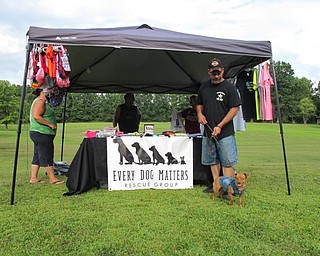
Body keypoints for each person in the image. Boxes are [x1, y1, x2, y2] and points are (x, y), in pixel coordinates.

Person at [196, 58, 241, 192]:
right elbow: (199, 104)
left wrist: (220, 125)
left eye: (218, 72)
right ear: (209, 72)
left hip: (225, 132)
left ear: (222, 71)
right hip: (208, 131)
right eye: (213, 73)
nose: (216, 75)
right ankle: (217, 185)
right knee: (212, 159)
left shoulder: (229, 88)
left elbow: (234, 109)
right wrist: (200, 114)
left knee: (227, 161)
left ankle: (227, 186)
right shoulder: (203, 87)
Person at [29, 88, 64, 184]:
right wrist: (50, 124)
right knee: (47, 154)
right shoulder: (40, 102)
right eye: (48, 91)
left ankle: (33, 178)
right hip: (42, 133)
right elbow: (36, 116)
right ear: (42, 91)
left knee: (37, 155)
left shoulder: (41, 102)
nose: (50, 93)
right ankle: (52, 179)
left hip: (38, 133)